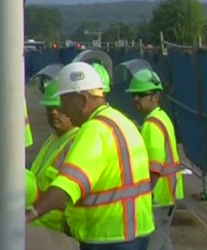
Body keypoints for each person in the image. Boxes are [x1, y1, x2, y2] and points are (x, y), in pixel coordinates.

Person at [25, 62, 155, 250]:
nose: (63, 111)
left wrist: (32, 213)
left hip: (108, 237)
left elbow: (69, 183)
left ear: (83, 100)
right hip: (136, 231)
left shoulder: (94, 130)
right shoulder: (123, 121)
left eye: (65, 102)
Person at [126, 69, 183, 250]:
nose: (136, 99)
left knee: (153, 243)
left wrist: (144, 194)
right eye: (134, 94)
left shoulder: (152, 125)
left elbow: (155, 168)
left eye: (142, 95)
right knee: (163, 241)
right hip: (168, 193)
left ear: (155, 97)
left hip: (159, 195)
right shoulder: (161, 117)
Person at [29, 79, 80, 233]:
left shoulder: (76, 142)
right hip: (40, 227)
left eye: (59, 108)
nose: (53, 112)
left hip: (57, 231)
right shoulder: (53, 138)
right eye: (49, 108)